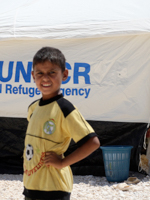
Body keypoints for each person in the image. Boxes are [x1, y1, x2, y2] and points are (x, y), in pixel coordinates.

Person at [23, 47, 100, 200]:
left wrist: (62, 162)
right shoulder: (33, 108)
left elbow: (93, 142)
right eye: (40, 73)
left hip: (54, 189)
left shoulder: (65, 109)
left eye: (52, 72)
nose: (45, 78)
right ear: (33, 75)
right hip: (31, 186)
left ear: (64, 74)